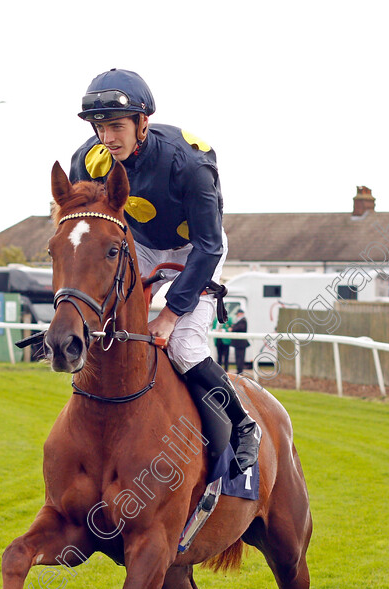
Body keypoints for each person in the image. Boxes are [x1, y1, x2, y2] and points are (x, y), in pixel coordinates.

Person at [69, 69, 260, 471]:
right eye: (100, 127)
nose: (107, 138)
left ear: (143, 123)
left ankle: (244, 426)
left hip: (197, 248)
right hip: (139, 243)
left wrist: (170, 315)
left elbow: (209, 245)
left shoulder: (190, 165)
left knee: (182, 345)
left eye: (117, 126)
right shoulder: (86, 161)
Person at [230, 308, 249, 374]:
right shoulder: (239, 320)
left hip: (241, 342)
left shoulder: (243, 320)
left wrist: (233, 328)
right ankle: (238, 370)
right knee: (238, 357)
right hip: (238, 343)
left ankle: (240, 371)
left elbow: (240, 328)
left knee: (240, 357)